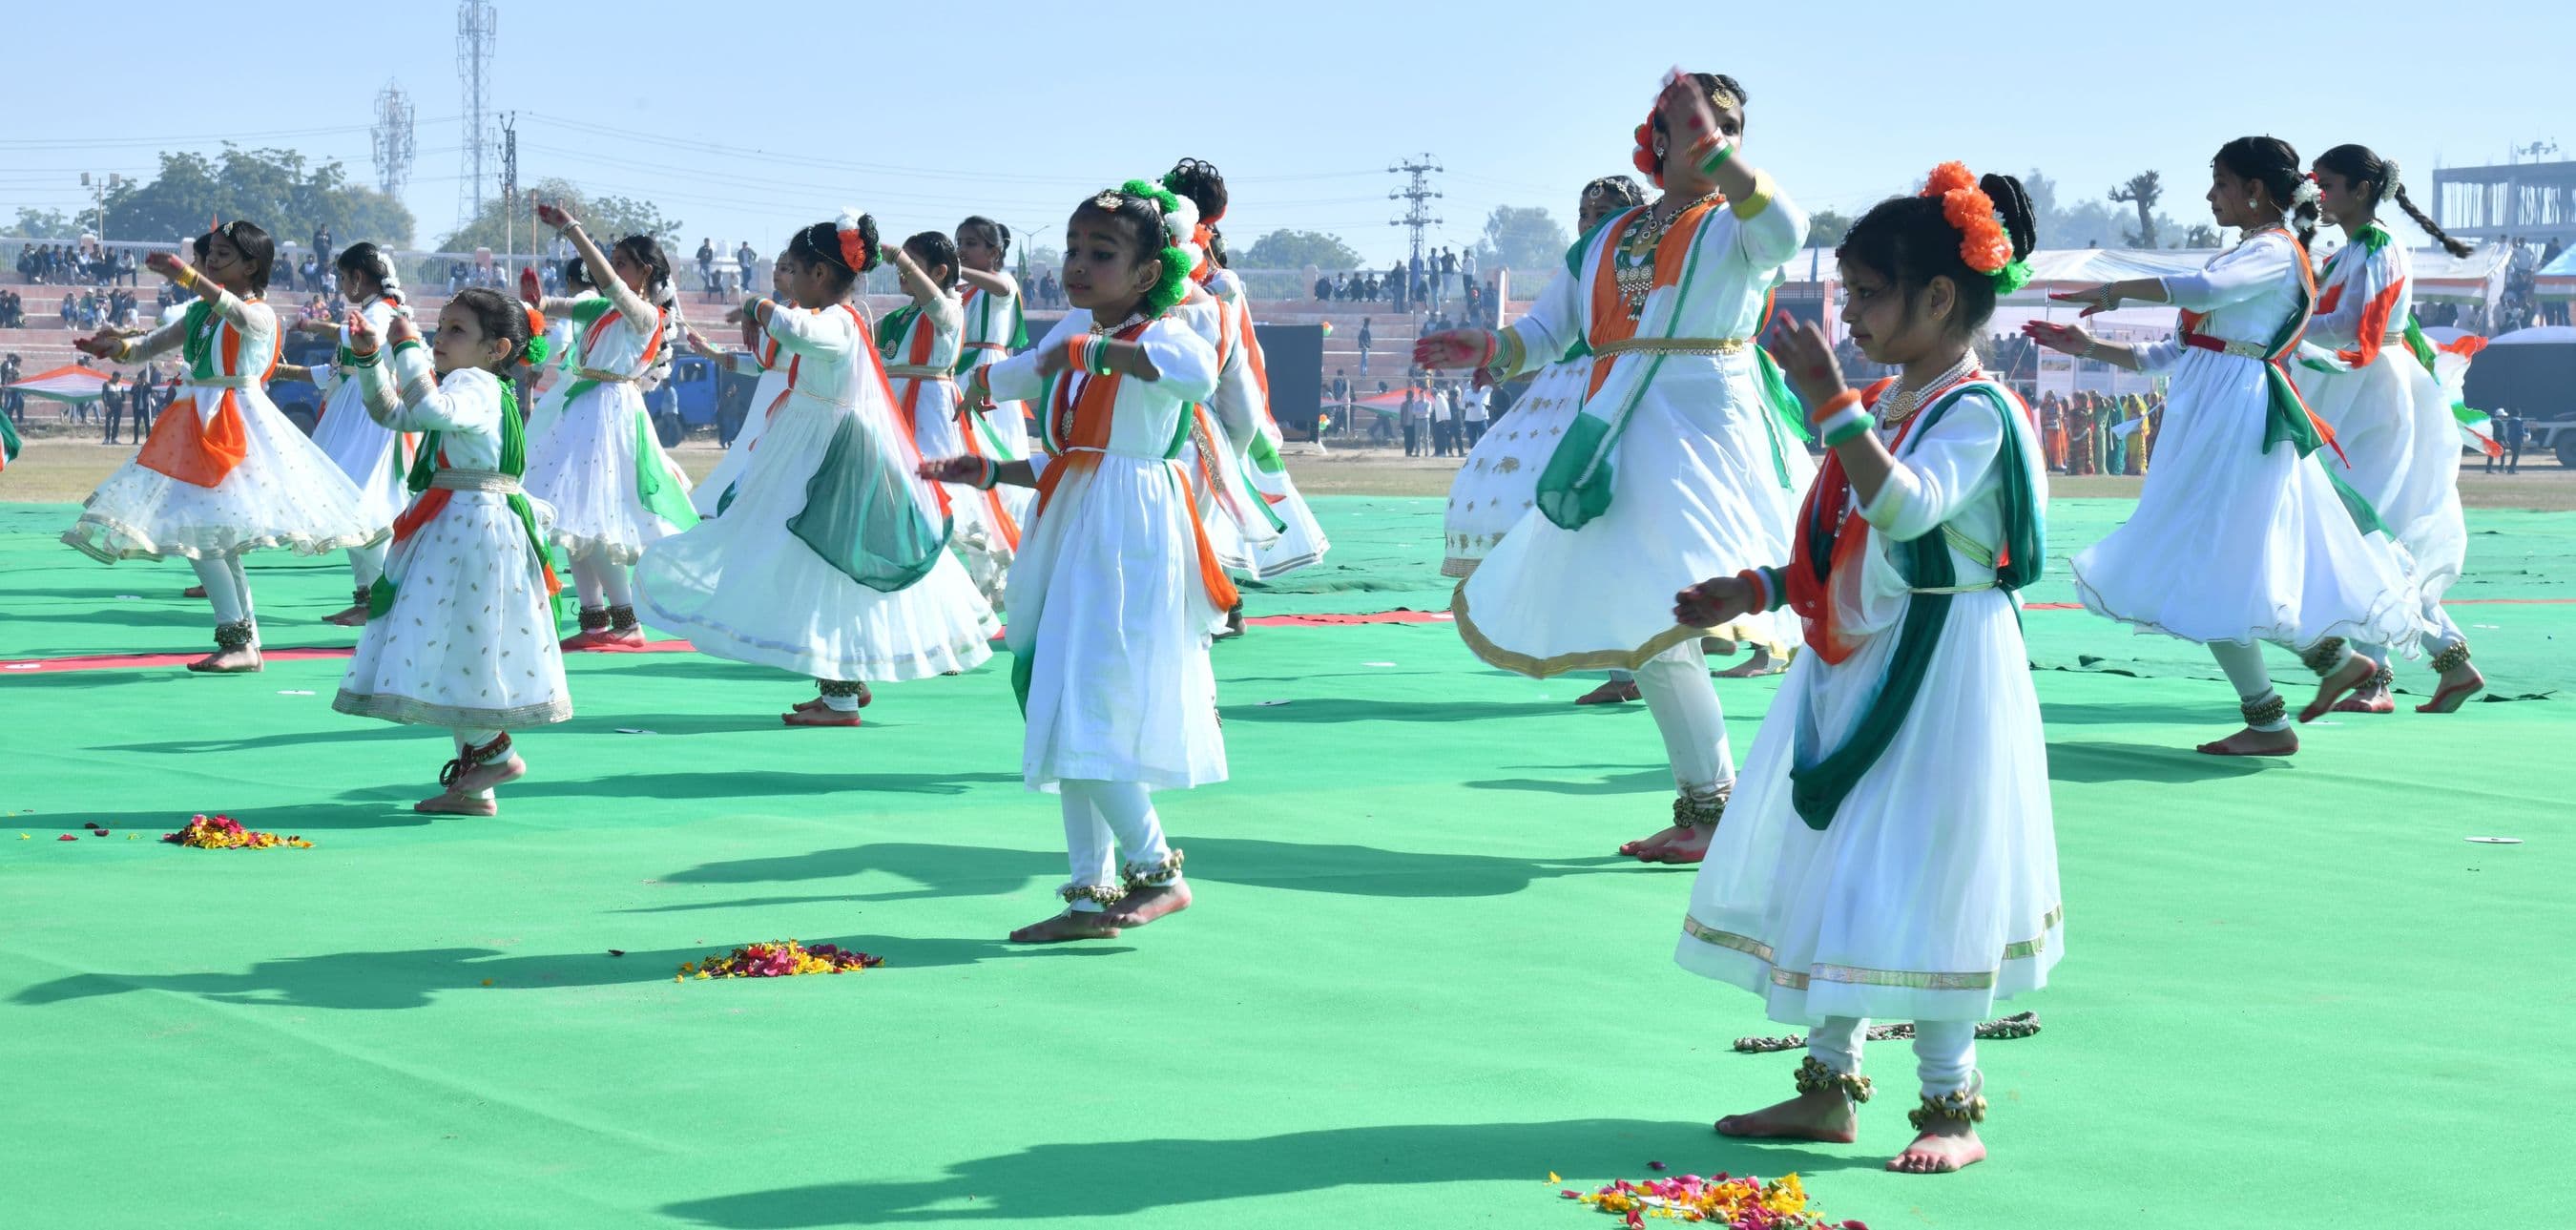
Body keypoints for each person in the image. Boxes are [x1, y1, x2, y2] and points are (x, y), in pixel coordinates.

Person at [1675, 159, 2056, 1178]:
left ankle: (1951, 1100)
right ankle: (1826, 1087)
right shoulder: (1890, 399)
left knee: (1931, 868)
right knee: (1838, 858)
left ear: (1940, 297)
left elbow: (1908, 507)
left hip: (1944, 672)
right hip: (1856, 657)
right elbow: (1842, 530)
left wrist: (1832, 405)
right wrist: (1756, 589)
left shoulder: (1978, 411)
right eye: (1849, 294)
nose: (1851, 315)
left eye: (1870, 294)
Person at [1417, 71, 1814, 863]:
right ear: (1657, 140)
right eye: (1693, 121)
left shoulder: (1738, 225)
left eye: (1726, 126)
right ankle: (1713, 808)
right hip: (1615, 442)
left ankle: (1794, 801)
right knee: (1653, 628)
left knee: (1712, 613)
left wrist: (1722, 158)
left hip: (1706, 438)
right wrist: (1491, 349)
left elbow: (1788, 232)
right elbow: (1547, 330)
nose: (1712, 135)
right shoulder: (1605, 240)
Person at [2025, 136, 2415, 755]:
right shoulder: (2244, 259)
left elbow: (2201, 293)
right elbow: (2174, 350)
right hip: (2212, 406)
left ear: (2255, 190)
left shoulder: (2275, 253)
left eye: (2221, 183)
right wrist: (2089, 347)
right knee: (2213, 562)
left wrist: (2114, 290)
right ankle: (2309, 681)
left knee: (2208, 559)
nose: (2211, 196)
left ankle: (2291, 699)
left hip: (2238, 411)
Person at [920, 178, 1220, 944]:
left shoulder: (1173, 328)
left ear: (1149, 273)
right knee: (1060, 698)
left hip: (1131, 535)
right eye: (1074, 250)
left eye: (1102, 253)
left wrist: (1098, 349)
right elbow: (1057, 434)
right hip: (1077, 517)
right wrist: (987, 465)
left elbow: (1196, 375)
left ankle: (1159, 871)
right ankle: (1090, 891)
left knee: (1086, 702)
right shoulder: (1076, 339)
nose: (1078, 266)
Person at [637, 215, 998, 726]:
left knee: (821, 562)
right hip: (812, 446)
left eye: (798, 271)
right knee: (814, 563)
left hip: (830, 454)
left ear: (821, 276)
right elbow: (783, 349)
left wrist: (755, 303)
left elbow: (793, 329)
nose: (791, 283)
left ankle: (842, 695)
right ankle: (841, 686)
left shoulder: (837, 321)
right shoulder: (834, 318)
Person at [65, 221, 377, 672]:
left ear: (253, 266)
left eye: (225, 254)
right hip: (194, 422)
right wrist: (115, 347)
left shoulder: (260, 313)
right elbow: (145, 349)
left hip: (235, 427)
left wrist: (190, 278)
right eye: (210, 253)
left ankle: (240, 641)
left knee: (204, 536)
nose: (211, 259)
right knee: (209, 538)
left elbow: (240, 316)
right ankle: (241, 641)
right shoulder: (199, 312)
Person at [332, 290, 570, 815]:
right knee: (464, 647)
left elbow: (427, 406)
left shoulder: (473, 383)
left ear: (496, 348)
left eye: (456, 330)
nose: (441, 337)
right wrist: (374, 357)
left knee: (457, 644)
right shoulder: (486, 386)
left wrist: (407, 347)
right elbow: (398, 416)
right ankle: (475, 788)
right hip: (468, 525)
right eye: (439, 327)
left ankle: (495, 753)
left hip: (469, 530)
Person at [2291, 142, 2486, 715]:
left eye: (2327, 184)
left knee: (2365, 533)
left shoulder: (2377, 246)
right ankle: (2441, 664)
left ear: (2360, 190)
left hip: (2374, 395)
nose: (2317, 194)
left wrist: (2287, 323)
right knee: (2363, 534)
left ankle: (2385, 678)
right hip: (2355, 387)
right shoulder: (2353, 249)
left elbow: (2354, 326)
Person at [523, 199, 698, 651]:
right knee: (573, 521)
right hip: (586, 411)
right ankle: (596, 618)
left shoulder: (644, 315)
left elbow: (610, 287)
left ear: (644, 273)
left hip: (608, 415)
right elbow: (556, 305)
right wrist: (532, 300)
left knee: (595, 519)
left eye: (623, 265)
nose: (613, 272)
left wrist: (572, 229)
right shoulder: (603, 308)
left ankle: (626, 620)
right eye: (614, 264)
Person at [880, 229, 1012, 601]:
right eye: (904, 266)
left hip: (929, 409)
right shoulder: (899, 318)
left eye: (914, 266)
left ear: (938, 273)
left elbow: (937, 307)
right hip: (895, 408)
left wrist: (897, 257)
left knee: (935, 493)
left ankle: (948, 596)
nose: (903, 274)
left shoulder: (949, 308)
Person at [300, 242, 417, 626]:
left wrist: (323, 327)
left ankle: (387, 599)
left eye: (343, 277)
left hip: (371, 415)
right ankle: (367, 598)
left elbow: (369, 339)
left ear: (358, 278)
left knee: (362, 501)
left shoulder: (381, 312)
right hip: (352, 409)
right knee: (346, 502)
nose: (341, 284)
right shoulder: (372, 310)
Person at [952, 214, 1041, 563]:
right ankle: (970, 531)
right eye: (958, 243)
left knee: (993, 448)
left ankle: (1003, 536)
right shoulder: (962, 289)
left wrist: (952, 270)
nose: (961, 250)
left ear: (993, 252)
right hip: (960, 373)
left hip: (990, 373)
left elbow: (1002, 289)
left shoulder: (1003, 282)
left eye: (970, 244)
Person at [683, 251, 796, 517]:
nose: (776, 272)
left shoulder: (804, 316)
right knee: (744, 461)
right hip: (766, 398)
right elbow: (758, 365)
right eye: (776, 266)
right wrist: (711, 353)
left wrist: (753, 306)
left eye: (787, 268)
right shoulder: (780, 313)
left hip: (793, 397)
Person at [100, 373, 126, 444]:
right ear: (114, 377)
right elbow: (104, 396)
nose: (119, 379)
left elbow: (123, 394)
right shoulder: (107, 384)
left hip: (118, 406)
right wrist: (106, 405)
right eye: (118, 377)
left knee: (116, 422)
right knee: (108, 422)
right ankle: (107, 438)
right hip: (110, 406)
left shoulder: (120, 385)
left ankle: (114, 438)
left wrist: (123, 401)